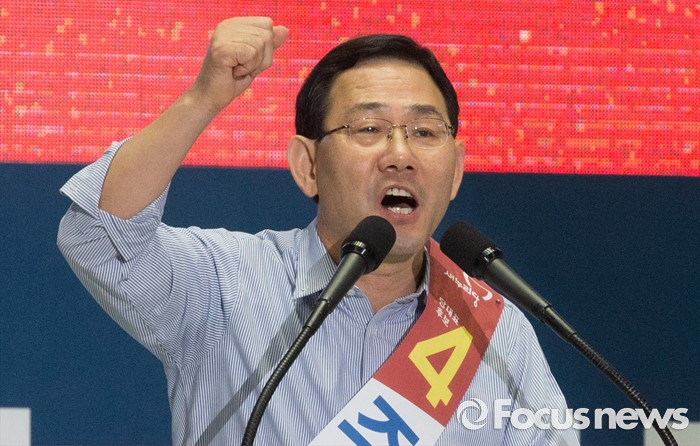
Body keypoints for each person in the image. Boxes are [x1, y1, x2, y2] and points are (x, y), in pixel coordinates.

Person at [58, 17, 578, 445]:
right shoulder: (223, 285)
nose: (401, 155)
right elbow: (102, 235)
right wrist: (202, 100)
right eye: (369, 129)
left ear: (457, 171)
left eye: (425, 132)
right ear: (307, 165)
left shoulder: (495, 332)